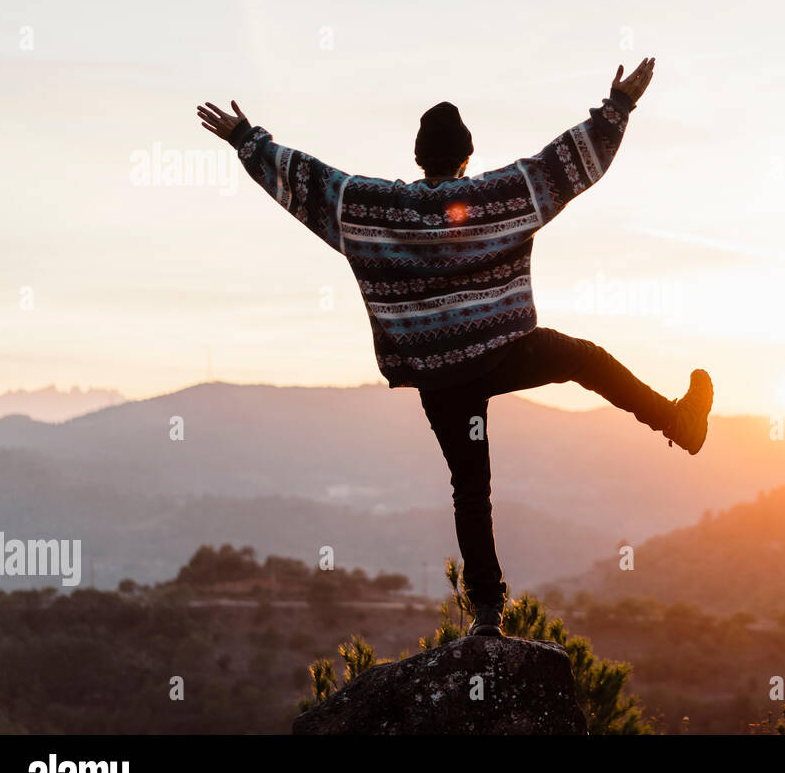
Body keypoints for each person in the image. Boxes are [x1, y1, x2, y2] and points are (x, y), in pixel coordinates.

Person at [196, 56, 712, 637]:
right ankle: (677, 423)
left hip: (439, 374)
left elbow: (313, 185)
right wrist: (619, 106)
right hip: (503, 349)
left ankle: (488, 613)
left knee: (471, 487)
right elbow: (566, 166)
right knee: (584, 360)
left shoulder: (379, 210)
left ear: (419, 160)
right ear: (467, 157)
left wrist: (248, 140)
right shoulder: (498, 197)